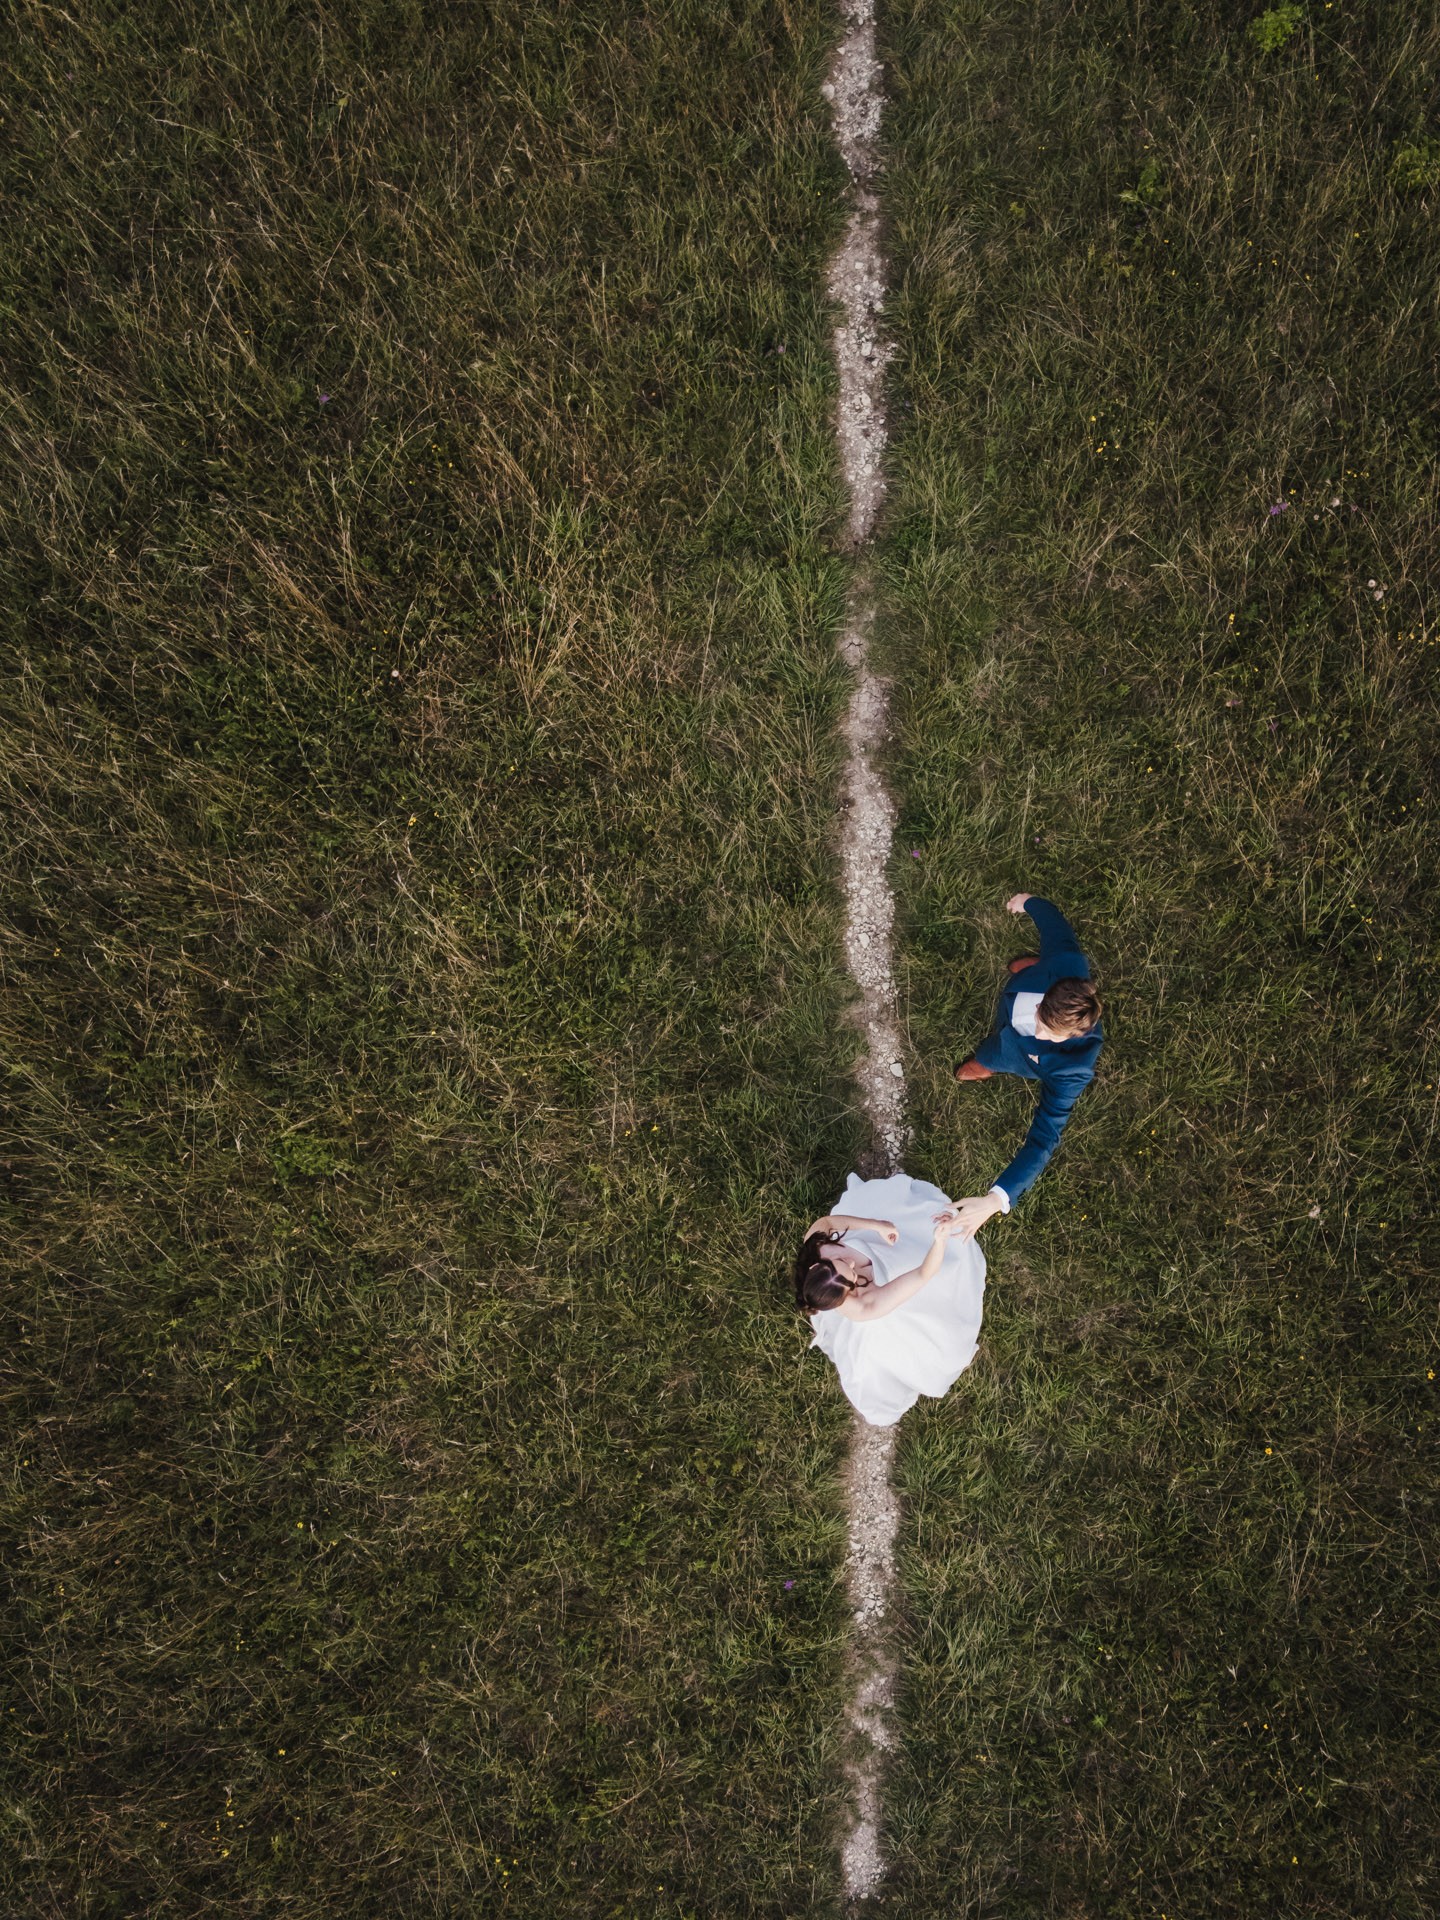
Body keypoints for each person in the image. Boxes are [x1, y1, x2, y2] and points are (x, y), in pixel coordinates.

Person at [946, 891, 1103, 1238]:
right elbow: (1056, 928)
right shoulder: (1067, 964)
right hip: (1022, 990)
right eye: (1040, 1015)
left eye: (1047, 1031)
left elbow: (1045, 1137)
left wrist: (994, 1199)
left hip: (1014, 1057)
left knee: (992, 1055)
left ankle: (986, 1064)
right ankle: (1033, 968)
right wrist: (1030, 902)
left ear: (1073, 1036)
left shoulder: (1073, 1070)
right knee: (1019, 988)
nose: (1036, 1024)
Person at [796, 1171, 986, 1427]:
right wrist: (939, 1241)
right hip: (893, 1284)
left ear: (815, 1267)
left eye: (840, 1260)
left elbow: (828, 1223)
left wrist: (876, 1225)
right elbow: (922, 1274)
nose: (851, 1261)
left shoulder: (815, 1247)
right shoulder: (866, 1305)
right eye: (851, 1274)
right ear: (850, 1292)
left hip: (879, 1247)